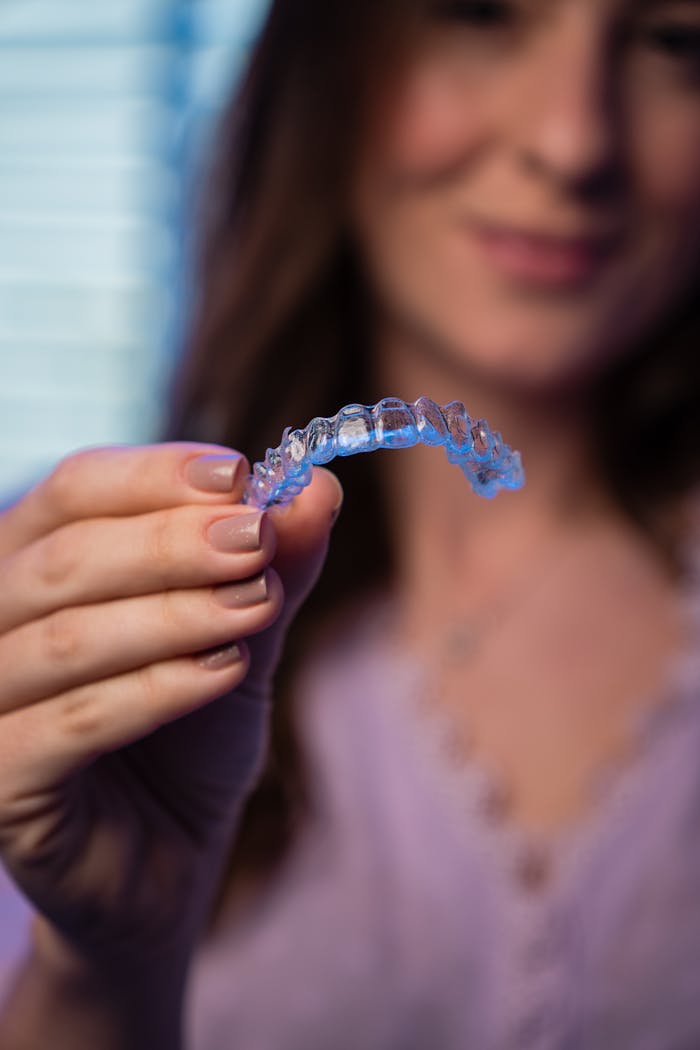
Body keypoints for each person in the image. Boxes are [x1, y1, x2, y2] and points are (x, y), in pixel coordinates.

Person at [0, 0, 699, 1046]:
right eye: (478, 12)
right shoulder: (60, 601)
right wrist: (106, 966)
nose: (570, 143)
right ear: (326, 63)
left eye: (675, 42)